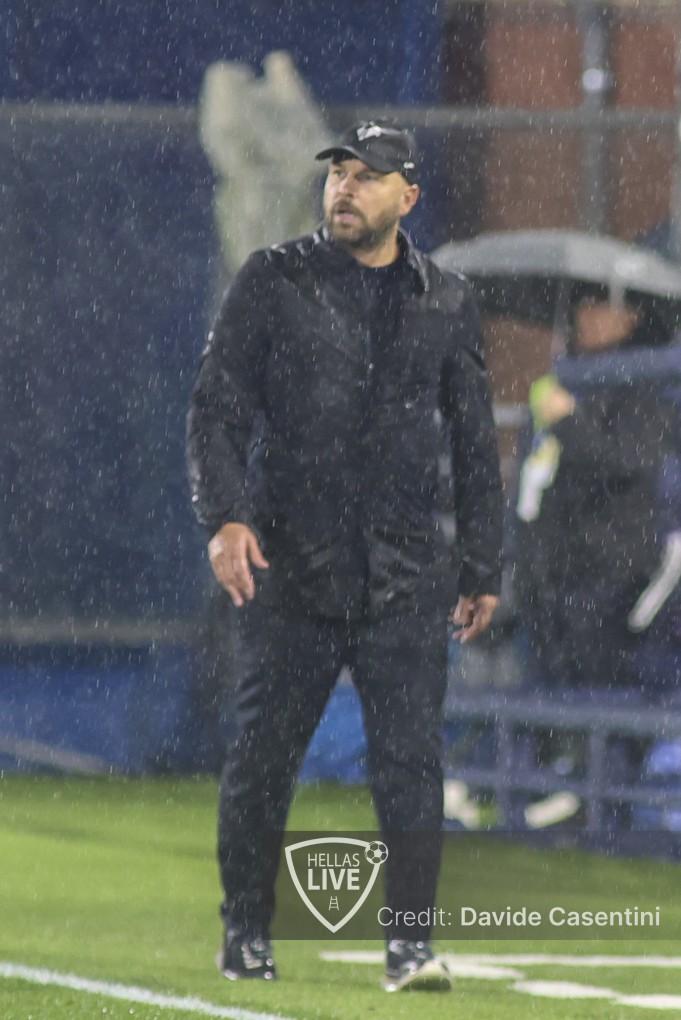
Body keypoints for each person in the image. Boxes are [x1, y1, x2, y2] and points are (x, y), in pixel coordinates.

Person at [186, 120, 503, 992]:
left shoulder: (446, 299)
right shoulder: (272, 280)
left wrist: (482, 566)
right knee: (264, 756)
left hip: (404, 572)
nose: (345, 189)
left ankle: (409, 946)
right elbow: (217, 407)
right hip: (291, 565)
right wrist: (225, 518)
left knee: (410, 764)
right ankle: (246, 929)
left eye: (368, 177)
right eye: (339, 174)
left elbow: (473, 442)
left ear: (408, 195)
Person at [514, 287, 681, 824]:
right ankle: (556, 789)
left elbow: (627, 459)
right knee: (554, 682)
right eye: (582, 305)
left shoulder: (648, 384)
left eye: (599, 305)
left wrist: (568, 420)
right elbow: (536, 479)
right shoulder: (567, 379)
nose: (586, 316)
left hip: (612, 571)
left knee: (604, 688)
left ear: (630, 315)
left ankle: (607, 804)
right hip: (554, 569)